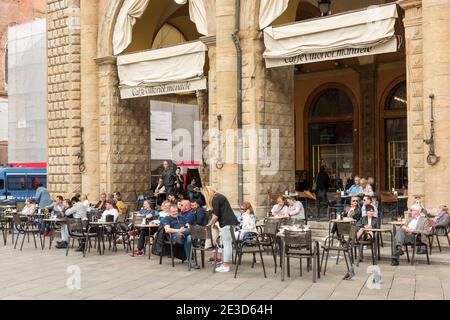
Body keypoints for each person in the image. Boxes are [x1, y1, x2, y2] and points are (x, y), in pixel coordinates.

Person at [202, 186, 239, 273]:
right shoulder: (218, 197)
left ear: (207, 193)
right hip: (228, 222)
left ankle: (226, 265)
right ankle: (225, 264)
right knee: (227, 244)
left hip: (227, 223)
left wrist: (209, 225)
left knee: (227, 244)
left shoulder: (215, 198)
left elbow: (215, 215)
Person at [163, 204, 199, 268]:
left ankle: (191, 261)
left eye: (176, 211)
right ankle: (197, 238)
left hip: (183, 236)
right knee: (185, 234)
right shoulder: (167, 218)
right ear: (169, 212)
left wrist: (187, 226)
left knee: (189, 238)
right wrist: (179, 230)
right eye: (173, 212)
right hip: (174, 237)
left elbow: (187, 225)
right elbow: (167, 230)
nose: (175, 213)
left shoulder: (181, 217)